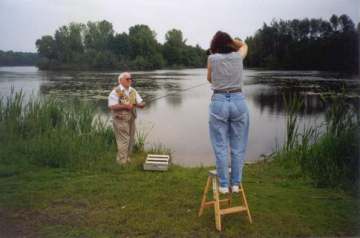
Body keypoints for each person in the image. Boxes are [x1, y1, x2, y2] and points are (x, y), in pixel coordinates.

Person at [207, 31, 249, 194]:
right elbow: (245, 45)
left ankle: (224, 185)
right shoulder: (239, 56)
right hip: (238, 100)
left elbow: (210, 79)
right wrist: (234, 41)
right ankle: (236, 184)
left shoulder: (211, 58)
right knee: (238, 147)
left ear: (215, 45)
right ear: (230, 43)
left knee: (220, 146)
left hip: (219, 102)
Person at [108, 72, 145, 164]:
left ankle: (126, 157)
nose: (130, 81)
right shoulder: (116, 91)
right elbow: (112, 106)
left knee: (131, 138)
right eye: (127, 79)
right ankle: (121, 161)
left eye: (131, 79)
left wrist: (141, 105)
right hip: (120, 118)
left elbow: (139, 102)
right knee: (124, 139)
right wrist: (125, 106)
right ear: (120, 80)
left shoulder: (132, 90)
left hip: (131, 117)